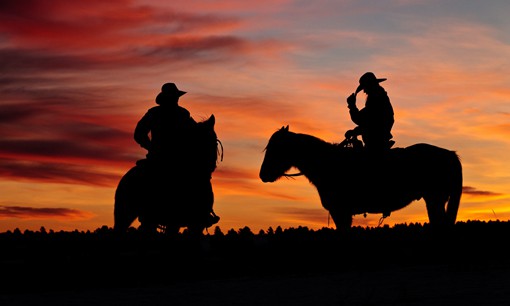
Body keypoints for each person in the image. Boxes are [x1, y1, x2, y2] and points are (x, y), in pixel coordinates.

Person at [134, 82, 197, 164]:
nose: (176, 99)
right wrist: (152, 148)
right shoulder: (154, 113)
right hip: (158, 158)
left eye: (176, 97)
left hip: (179, 158)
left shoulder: (183, 113)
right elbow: (139, 134)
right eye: (173, 97)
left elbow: (193, 134)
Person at [345, 72, 395, 152]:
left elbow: (361, 119)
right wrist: (355, 131)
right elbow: (368, 122)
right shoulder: (381, 98)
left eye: (365, 88)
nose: (364, 91)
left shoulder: (376, 100)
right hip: (379, 141)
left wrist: (352, 105)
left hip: (375, 144)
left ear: (370, 86)